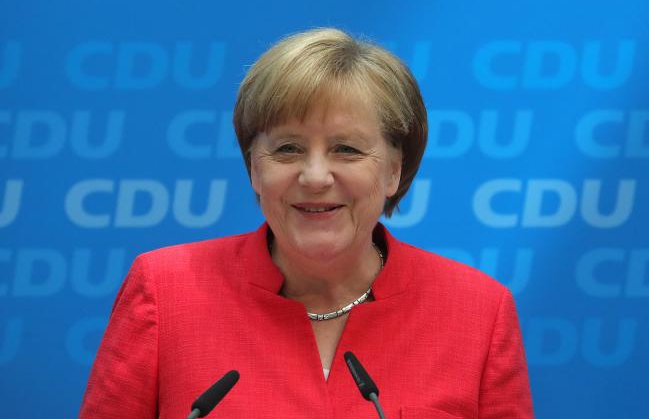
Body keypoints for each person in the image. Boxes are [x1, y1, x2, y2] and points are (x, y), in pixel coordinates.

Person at [79, 28, 534, 419]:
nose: (315, 177)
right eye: (288, 149)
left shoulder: (478, 313)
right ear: (255, 168)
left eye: (347, 150)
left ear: (394, 169)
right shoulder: (165, 291)